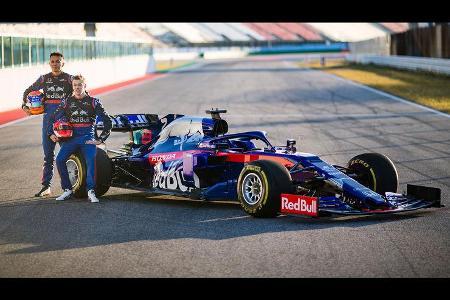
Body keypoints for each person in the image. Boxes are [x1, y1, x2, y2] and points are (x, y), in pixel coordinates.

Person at [48, 75, 112, 203]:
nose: (77, 87)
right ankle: (67, 189)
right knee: (60, 160)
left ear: (85, 86)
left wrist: (101, 139)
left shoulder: (94, 102)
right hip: (71, 138)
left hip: (88, 137)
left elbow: (108, 121)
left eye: (80, 85)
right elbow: (52, 118)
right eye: (75, 85)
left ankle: (91, 191)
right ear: (72, 86)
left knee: (91, 160)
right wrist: (51, 133)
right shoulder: (66, 102)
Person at [22, 52, 73, 197]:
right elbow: (28, 91)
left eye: (58, 61)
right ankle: (46, 187)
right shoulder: (44, 79)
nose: (55, 64)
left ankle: (70, 187)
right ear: (49, 63)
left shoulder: (69, 79)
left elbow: (82, 93)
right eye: (53, 61)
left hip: (65, 122)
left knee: (67, 155)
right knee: (48, 156)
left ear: (63, 63)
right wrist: (24, 106)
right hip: (48, 122)